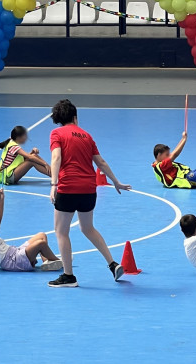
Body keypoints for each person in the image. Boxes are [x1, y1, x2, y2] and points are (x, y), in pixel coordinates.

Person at [48, 99, 131, 288]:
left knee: (61, 231)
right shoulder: (87, 136)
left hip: (68, 187)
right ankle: (112, 263)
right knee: (88, 228)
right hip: (88, 190)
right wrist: (115, 181)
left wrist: (54, 184)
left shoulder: (57, 133)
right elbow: (101, 163)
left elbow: (56, 157)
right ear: (75, 117)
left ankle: (68, 276)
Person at [0, 189, 63, 272]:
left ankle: (47, 261)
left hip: (15, 252)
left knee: (42, 235)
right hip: (14, 262)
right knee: (40, 243)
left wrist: (2, 199)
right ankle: (60, 261)